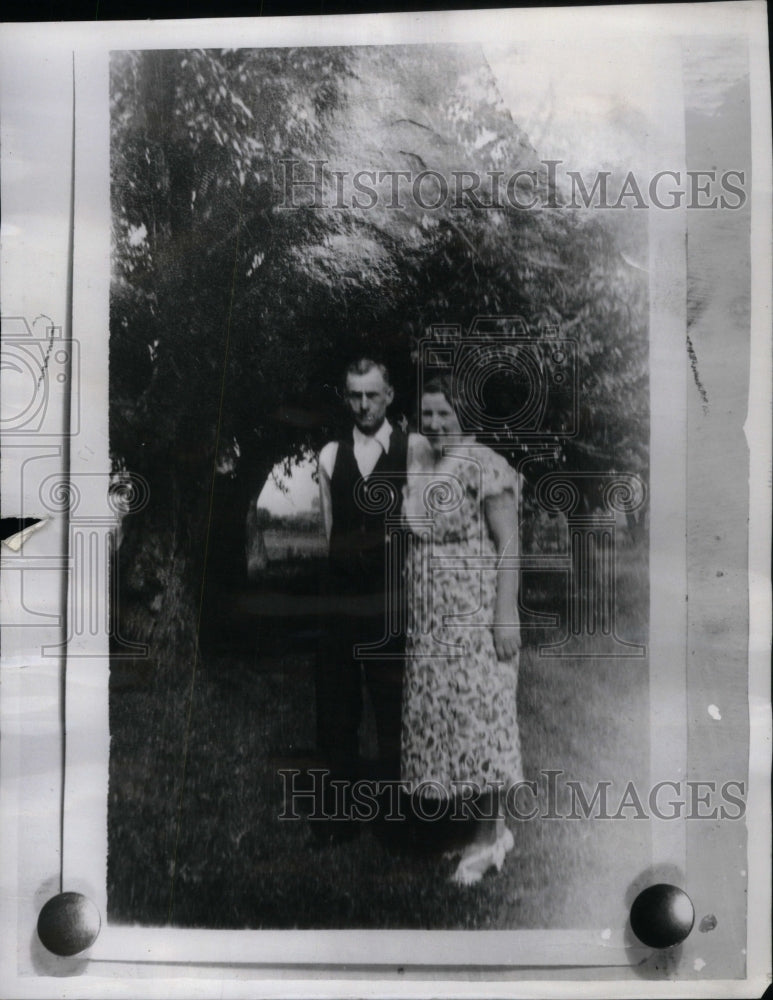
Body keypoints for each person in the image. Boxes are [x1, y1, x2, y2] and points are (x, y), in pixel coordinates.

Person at [401, 375, 523, 884]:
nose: (434, 423)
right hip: (431, 622)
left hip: (474, 616)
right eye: (427, 414)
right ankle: (473, 827)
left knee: (483, 719)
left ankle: (489, 835)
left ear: (463, 414)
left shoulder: (486, 464)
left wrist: (505, 614)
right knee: (449, 721)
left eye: (443, 414)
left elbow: (510, 543)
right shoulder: (423, 464)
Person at [314, 358, 423, 836]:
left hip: (392, 598)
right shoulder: (330, 455)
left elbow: (425, 530)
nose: (363, 405)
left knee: (393, 704)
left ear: (389, 395)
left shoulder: (414, 449)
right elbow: (328, 531)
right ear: (346, 397)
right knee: (337, 708)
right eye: (354, 395)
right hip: (340, 600)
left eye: (372, 395)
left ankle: (396, 819)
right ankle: (338, 817)